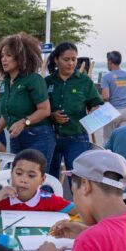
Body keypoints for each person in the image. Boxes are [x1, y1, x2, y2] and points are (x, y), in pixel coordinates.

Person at [0, 33, 54, 167]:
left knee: (36, 181)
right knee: (17, 178)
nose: (4, 59)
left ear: (21, 57)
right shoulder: (5, 83)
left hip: (38, 137)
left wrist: (24, 122)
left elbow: (45, 110)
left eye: (9, 55)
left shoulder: (33, 79)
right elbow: (8, 115)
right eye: (2, 56)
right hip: (15, 138)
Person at [46, 42, 104, 178]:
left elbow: (95, 104)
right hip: (50, 137)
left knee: (77, 179)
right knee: (48, 179)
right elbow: (40, 107)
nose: (71, 63)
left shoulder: (84, 81)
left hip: (76, 137)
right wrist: (52, 115)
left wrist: (93, 113)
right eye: (66, 59)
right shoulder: (48, 81)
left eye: (74, 59)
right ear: (56, 60)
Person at [0, 149, 75, 212]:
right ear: (11, 174)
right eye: (19, 173)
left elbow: (80, 210)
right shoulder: (2, 199)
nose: (23, 180)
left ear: (42, 180)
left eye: (31, 175)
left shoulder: (48, 199)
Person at [100, 51, 126, 141]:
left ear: (110, 61)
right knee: (124, 140)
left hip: (112, 111)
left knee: (108, 140)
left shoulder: (106, 77)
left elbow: (105, 97)